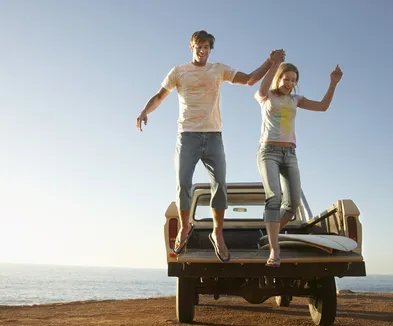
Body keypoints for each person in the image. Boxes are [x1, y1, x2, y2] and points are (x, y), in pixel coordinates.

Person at [136, 30, 276, 262]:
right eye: (199, 46)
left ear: (211, 49)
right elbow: (160, 96)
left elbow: (250, 79)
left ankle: (217, 233)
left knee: (220, 184)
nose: (203, 50)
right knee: (183, 184)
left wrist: (270, 62)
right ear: (191, 46)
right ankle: (184, 228)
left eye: (207, 47)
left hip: (214, 137)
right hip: (187, 136)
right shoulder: (178, 71)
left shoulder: (218, 69)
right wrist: (144, 111)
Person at [255, 60, 344, 266]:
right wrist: (273, 64)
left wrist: (333, 83)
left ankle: (269, 234)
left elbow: (322, 107)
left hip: (290, 153)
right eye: (286, 79)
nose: (290, 83)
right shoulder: (266, 96)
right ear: (279, 78)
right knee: (274, 198)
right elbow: (262, 85)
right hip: (268, 151)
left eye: (294, 80)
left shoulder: (296, 99)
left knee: (293, 204)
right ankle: (274, 251)